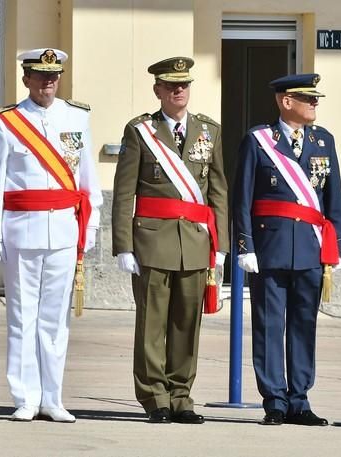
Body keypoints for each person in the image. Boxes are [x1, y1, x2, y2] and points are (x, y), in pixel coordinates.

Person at [0, 48, 102, 423]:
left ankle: (52, 397)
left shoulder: (77, 117)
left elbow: (87, 177)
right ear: (26, 79)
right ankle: (25, 397)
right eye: (40, 75)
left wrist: (93, 223)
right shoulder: (8, 121)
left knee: (55, 320)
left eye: (54, 75)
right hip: (22, 230)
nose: (48, 82)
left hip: (64, 231)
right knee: (21, 318)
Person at [111, 57, 229, 424]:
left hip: (195, 241)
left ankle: (181, 395)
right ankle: (154, 396)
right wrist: (123, 245)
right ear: (158, 90)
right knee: (152, 325)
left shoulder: (209, 131)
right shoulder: (140, 131)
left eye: (185, 85)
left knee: (186, 322)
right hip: (152, 241)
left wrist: (221, 244)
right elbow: (123, 191)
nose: (179, 90)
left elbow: (218, 190)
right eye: (171, 85)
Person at [233, 73, 341, 426]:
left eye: (315, 99)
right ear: (286, 102)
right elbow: (243, 199)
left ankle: (299, 399)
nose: (314, 104)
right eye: (307, 98)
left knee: (303, 325)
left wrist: (336, 246)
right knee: (268, 325)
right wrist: (245, 246)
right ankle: (275, 401)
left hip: (311, 249)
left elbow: (334, 199)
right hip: (270, 247)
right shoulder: (259, 140)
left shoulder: (323, 141)